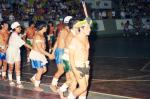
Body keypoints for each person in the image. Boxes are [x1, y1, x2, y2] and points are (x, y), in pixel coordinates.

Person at [66, 1, 92, 99]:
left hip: (86, 64)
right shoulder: (75, 40)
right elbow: (71, 57)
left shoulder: (86, 37)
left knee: (85, 89)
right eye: (87, 28)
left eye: (89, 28)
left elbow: (88, 19)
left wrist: (84, 7)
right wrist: (74, 70)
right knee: (83, 87)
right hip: (77, 65)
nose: (90, 29)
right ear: (81, 28)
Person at [50, 16, 73, 93]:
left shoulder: (64, 30)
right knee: (61, 70)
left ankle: (69, 86)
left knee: (67, 70)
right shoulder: (66, 31)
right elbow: (68, 44)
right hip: (61, 52)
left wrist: (53, 53)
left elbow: (57, 42)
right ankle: (53, 85)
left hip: (60, 51)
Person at [29, 21, 54, 91]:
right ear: (43, 27)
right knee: (40, 71)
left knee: (44, 70)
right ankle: (36, 87)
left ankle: (34, 78)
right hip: (36, 55)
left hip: (41, 55)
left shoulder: (42, 34)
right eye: (46, 27)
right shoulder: (37, 36)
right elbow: (40, 49)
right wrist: (49, 55)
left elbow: (43, 47)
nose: (47, 28)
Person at [6, 21, 32, 88]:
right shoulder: (14, 35)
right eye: (19, 27)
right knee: (11, 67)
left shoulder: (16, 35)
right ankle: (10, 80)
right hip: (11, 52)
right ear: (15, 28)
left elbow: (22, 39)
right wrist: (34, 48)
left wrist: (23, 36)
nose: (20, 28)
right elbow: (24, 44)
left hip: (17, 51)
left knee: (18, 67)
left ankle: (18, 82)